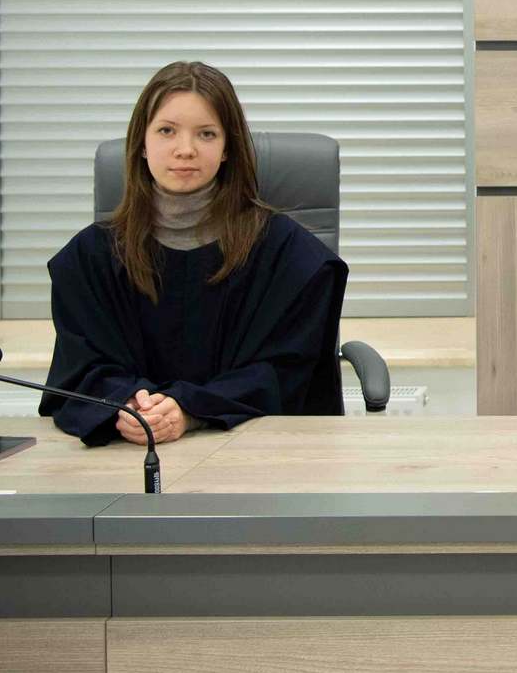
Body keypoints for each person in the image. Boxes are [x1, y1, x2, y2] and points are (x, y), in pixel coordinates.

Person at [42, 61, 349, 446]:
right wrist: (129, 405)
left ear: (227, 148)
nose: (185, 150)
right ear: (141, 144)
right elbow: (81, 370)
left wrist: (191, 409)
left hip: (253, 453)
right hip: (126, 455)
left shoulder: (291, 256)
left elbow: (285, 375)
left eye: (206, 134)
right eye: (166, 131)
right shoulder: (88, 259)